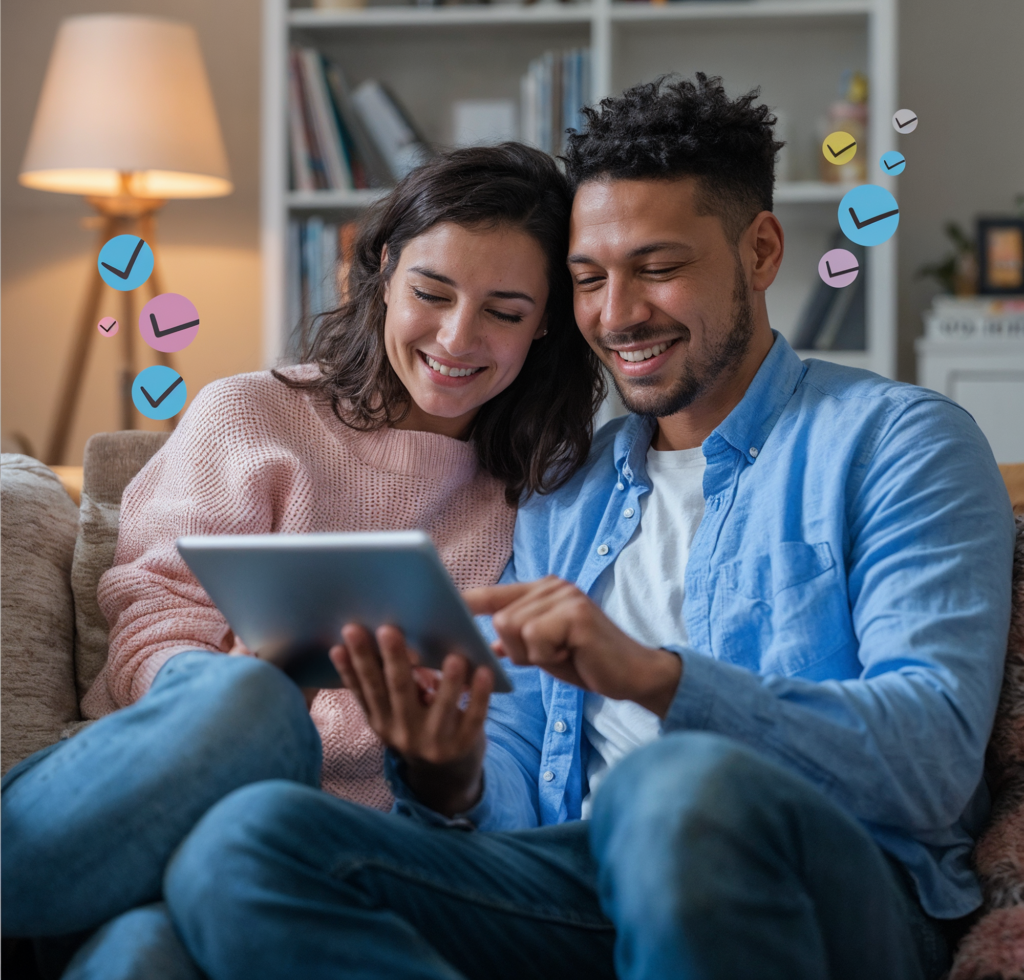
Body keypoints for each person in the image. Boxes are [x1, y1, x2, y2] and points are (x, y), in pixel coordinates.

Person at [164, 75, 1016, 980]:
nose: (617, 316)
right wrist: (449, 774)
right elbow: (517, 766)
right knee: (246, 843)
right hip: (579, 885)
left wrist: (654, 680)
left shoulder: (899, 442)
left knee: (674, 783)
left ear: (760, 251)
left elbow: (930, 758)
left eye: (658, 268)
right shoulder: (568, 485)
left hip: (823, 890)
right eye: (586, 279)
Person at [1, 143, 604, 977]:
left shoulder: (537, 497)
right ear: (384, 271)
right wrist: (218, 678)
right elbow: (150, 611)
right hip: (157, 807)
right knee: (252, 698)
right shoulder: (252, 415)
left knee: (140, 958)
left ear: (545, 323)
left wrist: (440, 761)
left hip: (321, 866)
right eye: (431, 292)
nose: (457, 337)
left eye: (504, 311)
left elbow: (506, 745)